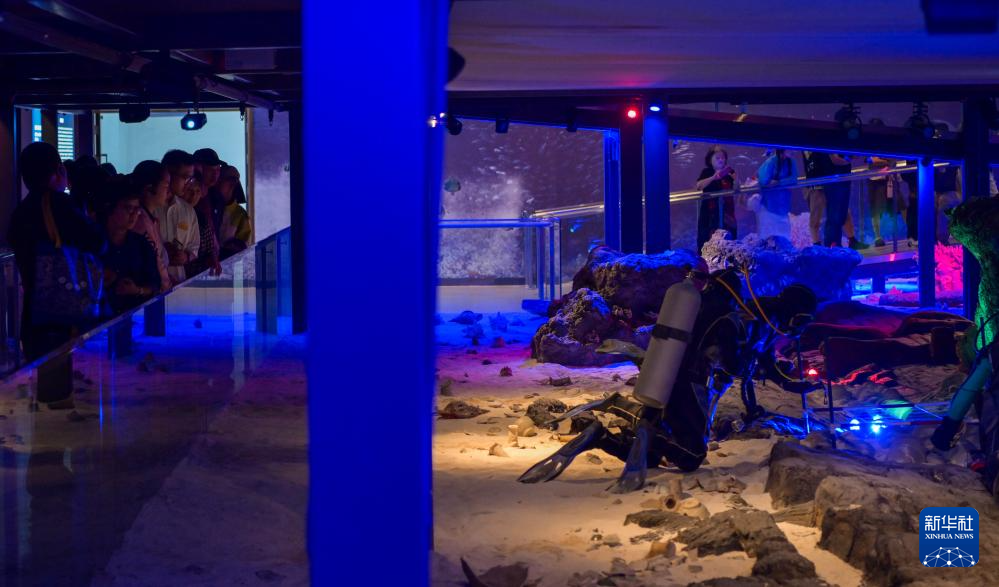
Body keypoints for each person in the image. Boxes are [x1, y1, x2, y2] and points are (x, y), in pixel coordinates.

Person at [9, 143, 106, 403]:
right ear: (59, 170)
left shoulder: (20, 212)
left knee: (45, 383)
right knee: (67, 383)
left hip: (35, 311)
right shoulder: (60, 204)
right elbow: (98, 242)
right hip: (65, 310)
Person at [98, 178, 161, 313]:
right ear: (110, 208)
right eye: (128, 208)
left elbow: (155, 284)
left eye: (137, 209)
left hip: (136, 314)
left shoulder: (141, 244)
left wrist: (137, 290)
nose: (134, 215)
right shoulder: (93, 243)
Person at [157, 150, 201, 283]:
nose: (188, 183)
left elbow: (194, 247)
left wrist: (185, 257)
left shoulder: (188, 210)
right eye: (185, 177)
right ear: (169, 174)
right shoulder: (150, 207)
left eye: (190, 178)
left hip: (179, 282)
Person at [130, 160, 173, 293]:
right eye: (166, 186)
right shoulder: (140, 222)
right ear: (149, 188)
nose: (169, 191)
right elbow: (155, 263)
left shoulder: (151, 219)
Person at [802, 151, 856, 247]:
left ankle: (851, 241)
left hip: (830, 181)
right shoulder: (810, 148)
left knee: (841, 212)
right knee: (816, 217)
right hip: (817, 184)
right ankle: (818, 246)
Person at [695, 146, 738, 250]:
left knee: (729, 240)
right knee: (708, 240)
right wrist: (714, 177)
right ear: (710, 160)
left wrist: (736, 179)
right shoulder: (707, 171)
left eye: (723, 157)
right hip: (709, 213)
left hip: (727, 212)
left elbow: (737, 188)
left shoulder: (730, 172)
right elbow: (699, 186)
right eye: (717, 158)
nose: (721, 160)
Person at [180, 172, 221, 276]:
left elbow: (209, 249)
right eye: (189, 190)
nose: (193, 196)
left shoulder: (202, 218)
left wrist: (213, 259)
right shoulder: (175, 214)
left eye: (197, 191)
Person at [752, 149, 797, 238]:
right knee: (768, 241)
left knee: (785, 240)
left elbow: (794, 179)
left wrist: (779, 182)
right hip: (769, 209)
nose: (793, 150)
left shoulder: (791, 162)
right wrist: (781, 182)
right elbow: (763, 181)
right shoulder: (770, 162)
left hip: (783, 209)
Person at [214, 163, 252, 258]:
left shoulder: (240, 215)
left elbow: (243, 249)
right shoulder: (209, 206)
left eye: (221, 180)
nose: (216, 183)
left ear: (232, 185)